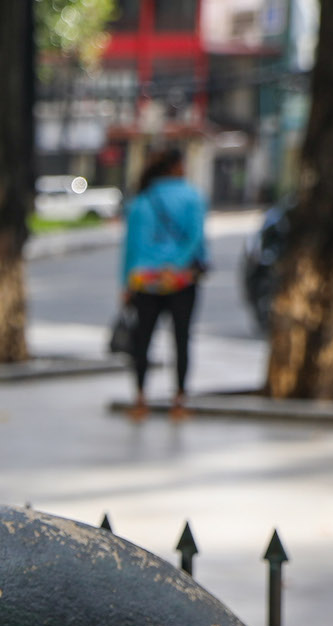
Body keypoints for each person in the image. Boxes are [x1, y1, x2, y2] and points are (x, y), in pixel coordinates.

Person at [120, 147, 207, 421]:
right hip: (180, 279)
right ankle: (179, 401)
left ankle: (140, 399)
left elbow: (130, 248)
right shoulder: (192, 196)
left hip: (144, 280)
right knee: (181, 339)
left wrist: (125, 284)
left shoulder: (141, 200)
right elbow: (196, 239)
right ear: (176, 167)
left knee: (142, 340)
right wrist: (179, 264)